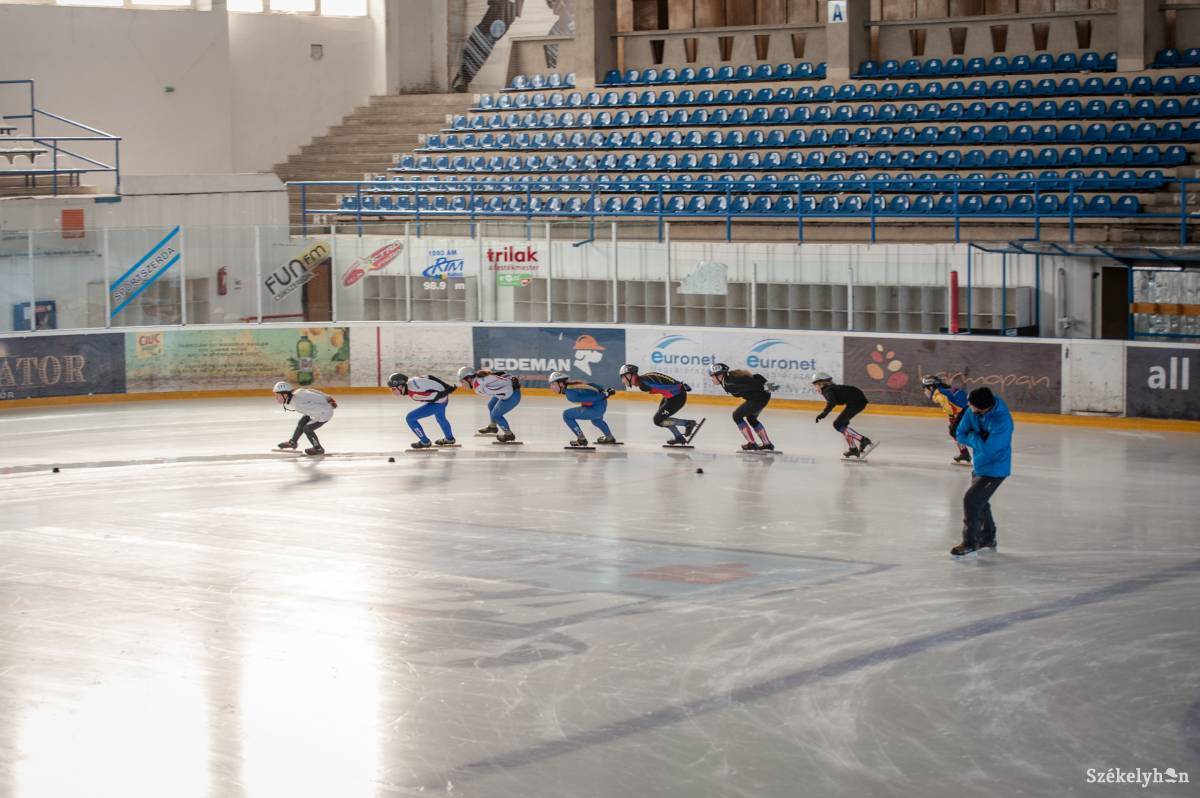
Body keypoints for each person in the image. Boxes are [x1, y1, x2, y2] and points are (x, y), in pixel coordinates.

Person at [952, 386, 1013, 558]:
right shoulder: (972, 412)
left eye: (971, 405)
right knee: (981, 502)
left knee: (971, 500)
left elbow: (989, 449)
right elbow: (960, 433)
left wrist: (972, 436)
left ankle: (970, 542)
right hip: (978, 465)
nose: (968, 407)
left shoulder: (1002, 421)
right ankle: (988, 537)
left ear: (982, 406)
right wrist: (977, 437)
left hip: (996, 469)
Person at [619, 364, 702, 446]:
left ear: (630, 375)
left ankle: (687, 423)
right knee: (661, 418)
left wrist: (679, 386)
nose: (623, 381)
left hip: (677, 397)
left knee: (658, 420)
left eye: (623, 377)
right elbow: (662, 378)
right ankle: (679, 437)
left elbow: (663, 386)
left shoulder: (643, 384)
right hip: (671, 396)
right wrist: (679, 385)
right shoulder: (644, 378)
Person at [709, 363, 778, 451]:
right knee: (751, 418)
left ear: (720, 375)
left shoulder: (729, 382)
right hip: (761, 397)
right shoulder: (729, 379)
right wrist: (766, 384)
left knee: (736, 416)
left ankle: (752, 443)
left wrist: (765, 386)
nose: (712, 379)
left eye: (713, 376)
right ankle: (767, 444)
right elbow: (756, 376)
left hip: (758, 399)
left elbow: (751, 384)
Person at [387, 371, 457, 449]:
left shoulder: (414, 394)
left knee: (410, 418)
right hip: (444, 399)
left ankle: (425, 442)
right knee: (440, 418)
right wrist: (447, 387)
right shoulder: (412, 380)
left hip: (439, 402)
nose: (392, 392)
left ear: (400, 386)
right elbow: (430, 377)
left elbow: (435, 396)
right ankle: (449, 439)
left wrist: (447, 390)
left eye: (393, 389)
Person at [812, 372, 875, 458]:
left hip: (857, 402)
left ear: (821, 384)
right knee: (842, 425)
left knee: (837, 424)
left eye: (816, 385)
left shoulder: (827, 390)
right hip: (856, 401)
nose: (815, 388)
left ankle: (863, 440)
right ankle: (853, 449)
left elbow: (831, 403)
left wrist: (823, 414)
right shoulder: (830, 388)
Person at [549, 370, 616, 447]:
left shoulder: (570, 394)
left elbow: (591, 397)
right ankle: (609, 438)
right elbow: (589, 385)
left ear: (561, 384)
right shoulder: (572, 385)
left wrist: (604, 394)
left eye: (553, 384)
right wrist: (604, 391)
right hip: (600, 404)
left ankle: (581, 439)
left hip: (597, 406)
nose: (551, 387)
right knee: (596, 421)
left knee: (567, 415)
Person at [457, 366, 521, 442]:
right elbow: (502, 374)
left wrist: (512, 386)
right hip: (510, 391)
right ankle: (492, 427)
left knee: (496, 415)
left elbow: (506, 389)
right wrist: (512, 379)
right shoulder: (479, 378)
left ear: (468, 378)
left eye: (462, 381)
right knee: (491, 405)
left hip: (512, 396)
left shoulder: (478, 387)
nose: (462, 385)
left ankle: (509, 435)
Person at [272, 380, 336, 455]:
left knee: (307, 429)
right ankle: (293, 442)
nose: (276, 398)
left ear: (285, 394)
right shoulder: (295, 397)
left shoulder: (299, 398)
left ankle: (318, 449)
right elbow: (310, 390)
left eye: (277, 395)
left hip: (324, 414)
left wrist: (329, 399)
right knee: (301, 423)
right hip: (314, 412)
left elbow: (314, 394)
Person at [922, 374, 972, 466]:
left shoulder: (938, 394)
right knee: (954, 430)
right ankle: (964, 453)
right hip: (969, 408)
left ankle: (979, 450)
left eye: (924, 388)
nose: (924, 391)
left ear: (931, 387)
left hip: (968, 410)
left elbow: (950, 409)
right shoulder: (943, 390)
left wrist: (953, 420)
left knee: (955, 431)